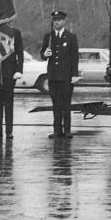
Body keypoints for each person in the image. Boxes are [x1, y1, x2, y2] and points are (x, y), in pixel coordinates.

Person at [40, 10, 80, 139]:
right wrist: (44, 54)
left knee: (66, 104)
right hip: (53, 76)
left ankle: (67, 130)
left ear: (64, 21)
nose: (56, 22)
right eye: (54, 20)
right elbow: (42, 53)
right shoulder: (49, 37)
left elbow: (74, 58)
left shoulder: (71, 37)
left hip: (66, 77)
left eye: (58, 20)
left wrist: (74, 75)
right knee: (56, 104)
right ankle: (57, 130)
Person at [0, 24, 24, 141]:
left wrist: (19, 70)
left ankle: (9, 131)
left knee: (8, 103)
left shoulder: (15, 32)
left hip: (9, 73)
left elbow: (20, 53)